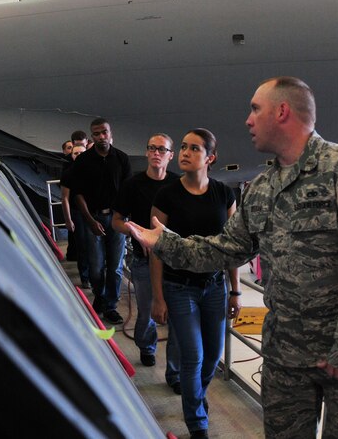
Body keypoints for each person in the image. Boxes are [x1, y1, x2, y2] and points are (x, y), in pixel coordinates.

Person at [125, 77, 338, 438]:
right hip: (286, 356)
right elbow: (225, 249)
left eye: (255, 109)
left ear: (281, 111)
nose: (248, 120)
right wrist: (165, 242)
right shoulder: (264, 187)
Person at [150, 128, 240, 438]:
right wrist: (158, 297)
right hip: (179, 287)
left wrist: (235, 291)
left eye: (194, 149)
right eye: (184, 147)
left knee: (213, 357)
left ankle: (196, 399)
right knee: (193, 356)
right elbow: (157, 249)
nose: (185, 153)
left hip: (215, 287)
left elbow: (233, 248)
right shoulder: (167, 195)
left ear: (210, 157)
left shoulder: (224, 195)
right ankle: (197, 422)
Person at [111, 134, 180, 388]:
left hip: (173, 263)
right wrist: (135, 232)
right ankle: (147, 345)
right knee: (147, 311)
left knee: (176, 316)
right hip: (143, 260)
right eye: (151, 148)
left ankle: (175, 372)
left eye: (162, 149)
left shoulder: (177, 184)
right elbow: (116, 221)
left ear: (170, 155)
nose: (156, 153)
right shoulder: (132, 185)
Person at [68, 118, 131, 324]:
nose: (101, 137)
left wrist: (123, 218)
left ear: (110, 133)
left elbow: (128, 191)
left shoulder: (121, 159)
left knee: (115, 266)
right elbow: (77, 194)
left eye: (104, 132)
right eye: (96, 134)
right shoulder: (84, 161)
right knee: (95, 266)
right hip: (93, 217)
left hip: (116, 218)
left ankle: (110, 305)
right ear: (91, 137)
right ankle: (100, 295)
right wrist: (89, 220)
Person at [62, 131, 91, 287]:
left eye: (82, 153)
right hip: (77, 212)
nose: (79, 156)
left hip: (93, 212)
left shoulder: (94, 171)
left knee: (94, 245)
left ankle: (94, 275)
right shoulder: (68, 174)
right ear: (72, 155)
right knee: (82, 245)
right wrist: (67, 219)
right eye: (76, 153)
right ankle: (85, 277)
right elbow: (64, 197)